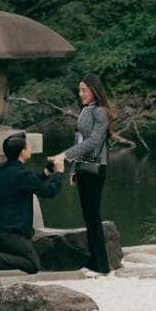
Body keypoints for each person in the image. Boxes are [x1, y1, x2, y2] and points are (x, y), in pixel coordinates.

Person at [49, 73, 113, 274]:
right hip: (84, 169)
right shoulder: (85, 110)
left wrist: (65, 155)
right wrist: (74, 169)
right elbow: (79, 140)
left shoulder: (101, 113)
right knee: (88, 215)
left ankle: (101, 265)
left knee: (93, 215)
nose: (81, 93)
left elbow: (93, 142)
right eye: (79, 90)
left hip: (96, 169)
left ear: (94, 90)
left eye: (84, 90)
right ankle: (95, 261)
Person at [0, 131, 64, 277]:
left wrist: (46, 172)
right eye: (28, 146)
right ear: (22, 152)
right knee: (33, 264)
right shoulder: (22, 174)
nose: (30, 147)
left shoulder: (2, 168)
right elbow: (49, 192)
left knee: (22, 247)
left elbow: (30, 183)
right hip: (8, 231)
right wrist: (59, 173)